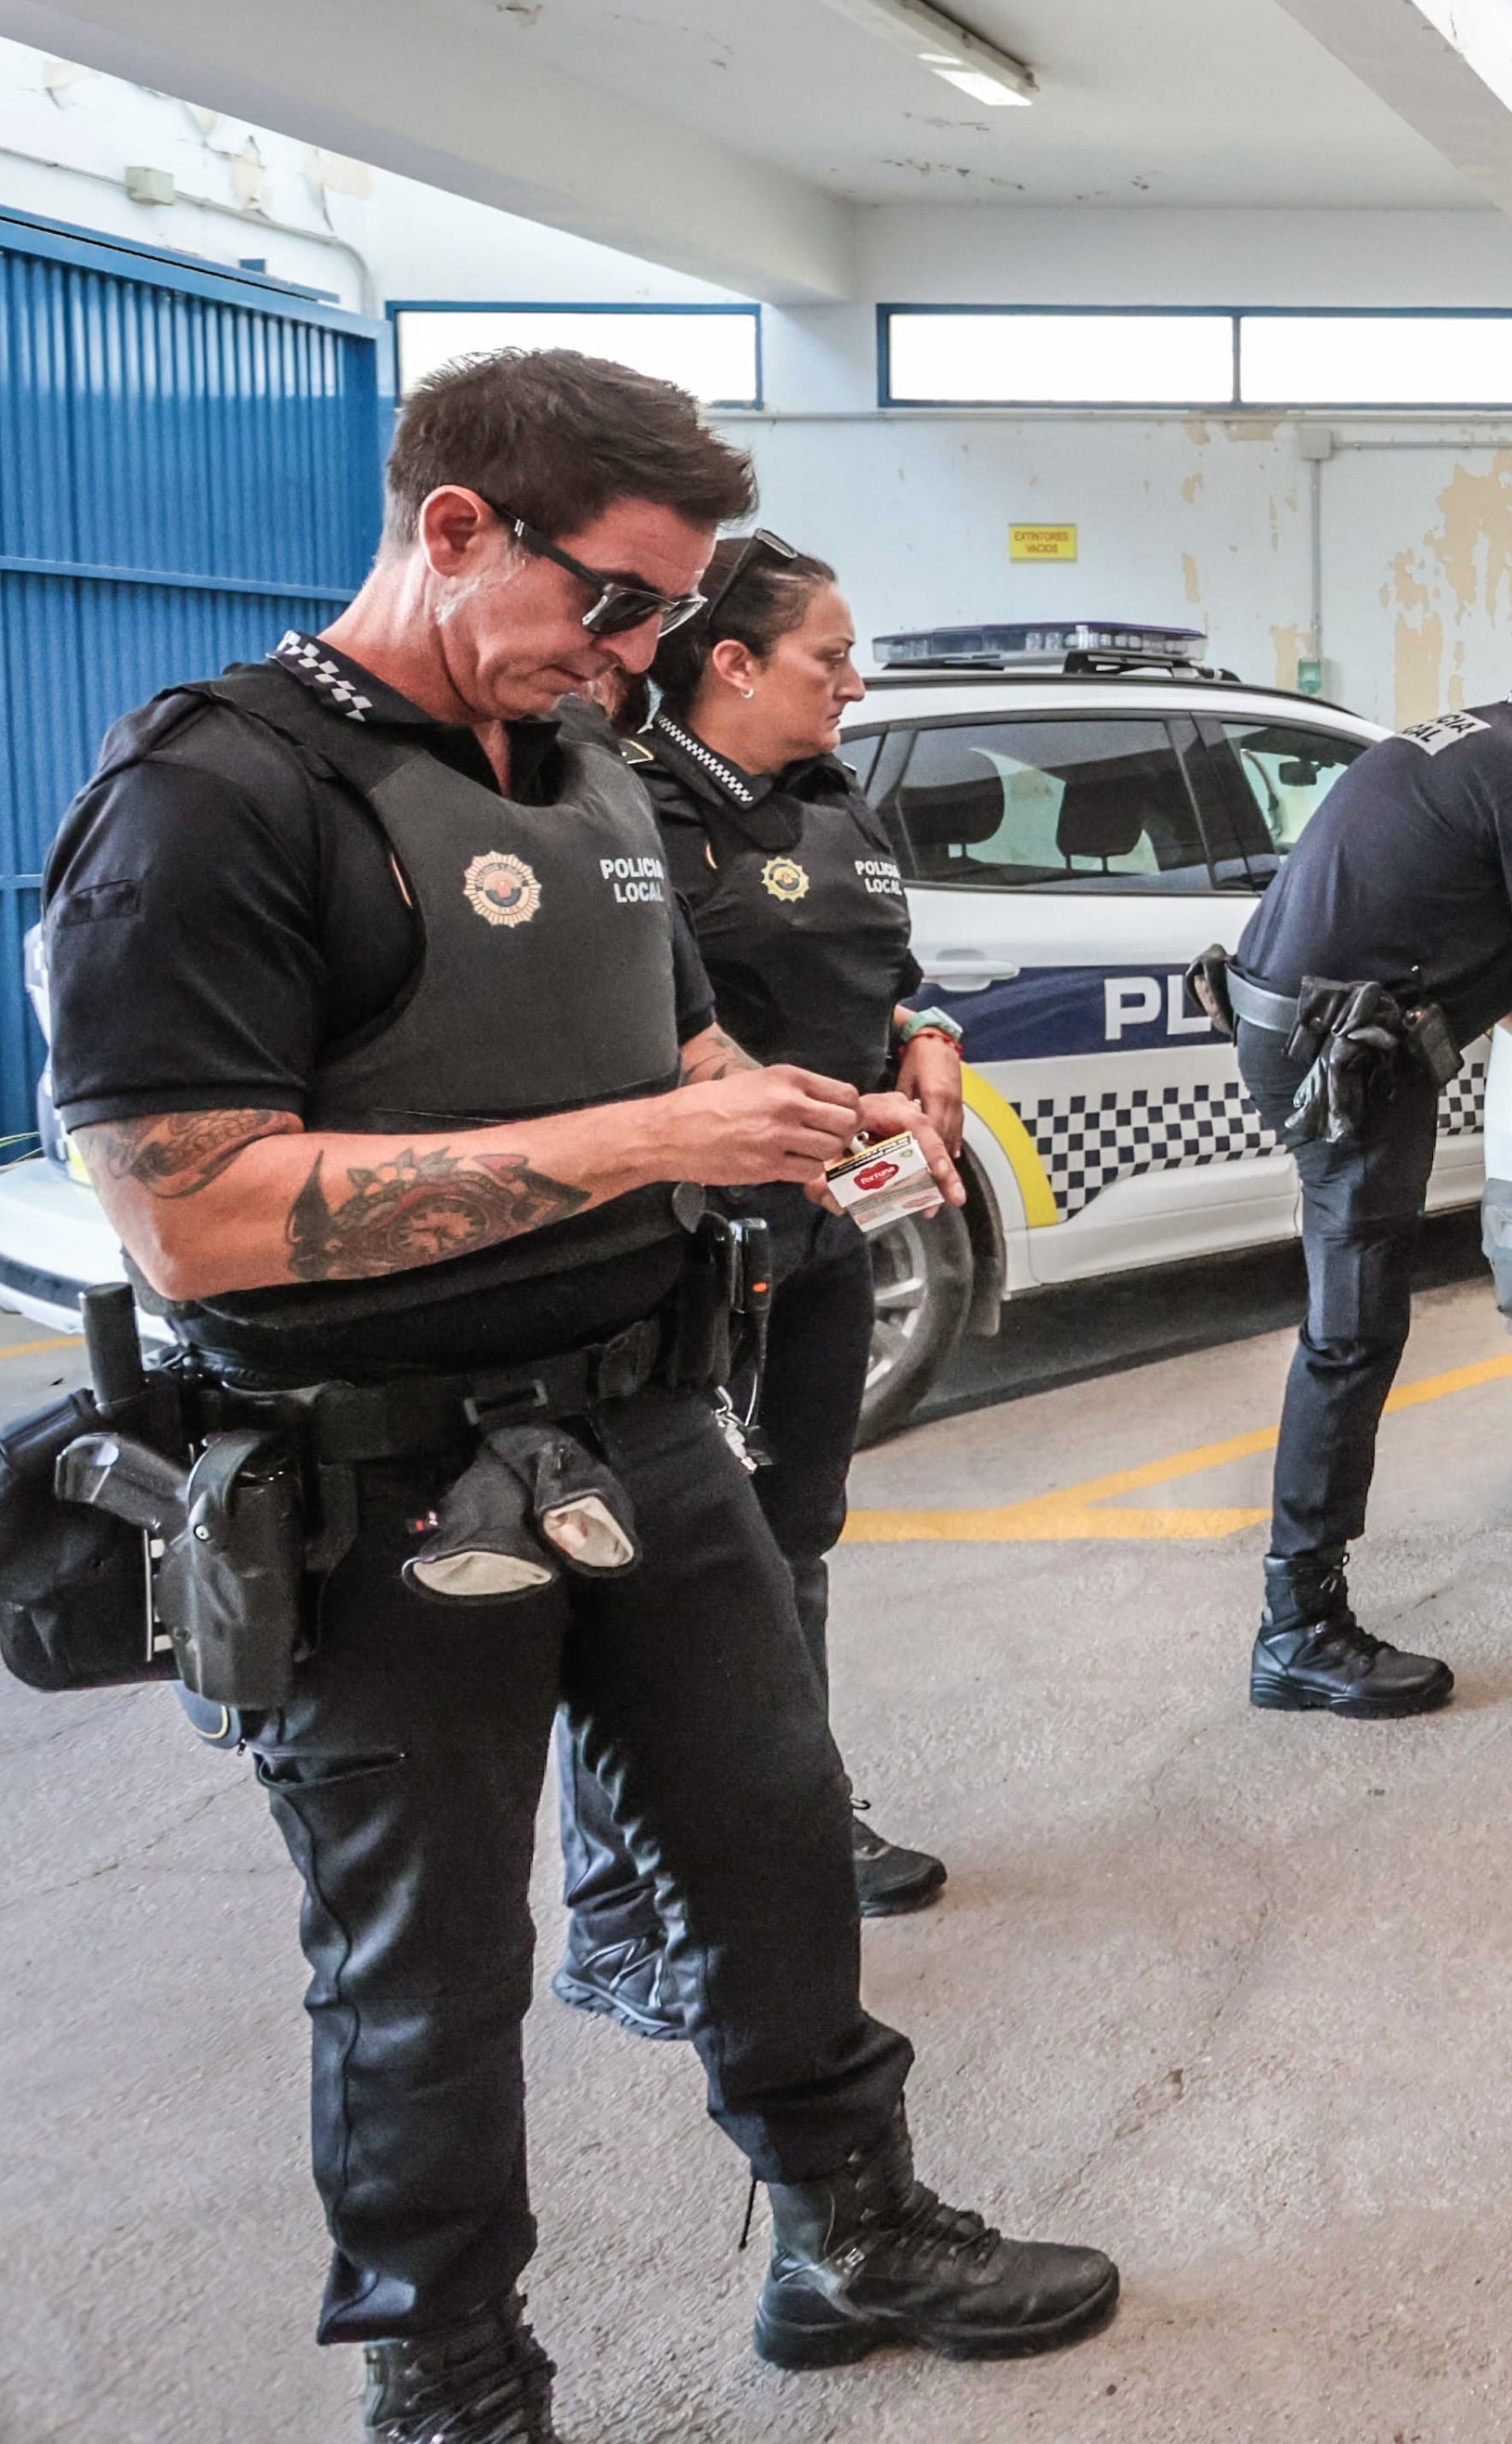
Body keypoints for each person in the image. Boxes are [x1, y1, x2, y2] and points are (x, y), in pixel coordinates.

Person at [36, 350, 1113, 2440]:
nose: (645, 652)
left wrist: (789, 1118)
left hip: (643, 1425)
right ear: (455, 529)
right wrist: (647, 1145)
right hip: (372, 1489)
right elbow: (199, 1213)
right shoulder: (215, 799)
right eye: (617, 601)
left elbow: (678, 1047)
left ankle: (850, 2229)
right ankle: (453, 2376)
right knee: (425, 1970)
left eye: (671, 616)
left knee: (778, 1839)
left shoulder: (592, 774)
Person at [548, 535, 962, 2050]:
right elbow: (641, 1030)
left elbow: (883, 966)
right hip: (675, 1248)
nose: (853, 680)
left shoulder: (836, 795)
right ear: (730, 661)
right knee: (646, 1579)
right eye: (828, 656)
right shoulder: (623, 808)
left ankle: (798, 1825)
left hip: (825, 1236)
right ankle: (614, 1914)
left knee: (792, 1545)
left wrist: (927, 1034)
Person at [1220, 638, 1512, 1716]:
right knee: (1353, 1331)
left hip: (1298, 1018)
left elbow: (1507, 966)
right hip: (1343, 1054)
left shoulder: (1480, 740)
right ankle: (1299, 1628)